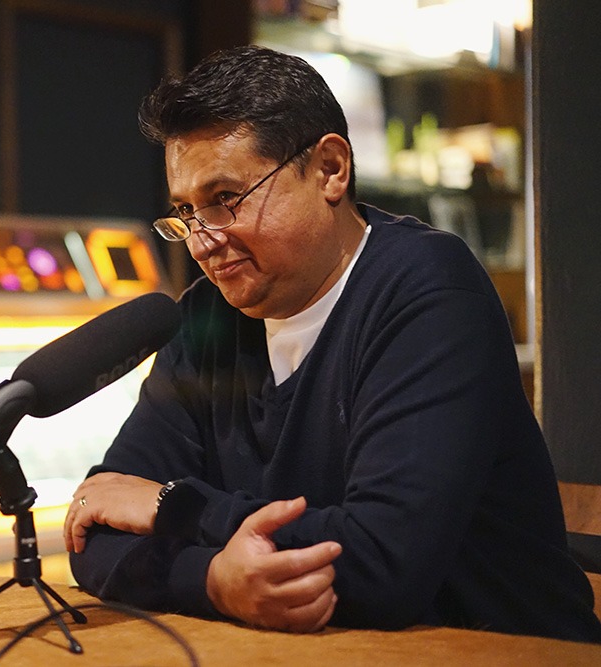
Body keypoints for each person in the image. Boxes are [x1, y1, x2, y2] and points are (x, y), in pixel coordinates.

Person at [62, 45, 601, 643]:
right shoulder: (203, 318)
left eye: (225, 200)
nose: (202, 242)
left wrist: (175, 508)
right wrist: (214, 580)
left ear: (329, 170)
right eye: (186, 212)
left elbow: (383, 565)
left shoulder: (429, 292)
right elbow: (95, 529)